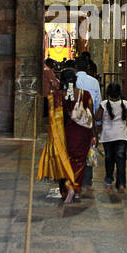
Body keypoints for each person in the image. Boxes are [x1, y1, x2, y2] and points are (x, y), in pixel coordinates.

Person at [38, 67, 93, 204]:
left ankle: (67, 188)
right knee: (79, 161)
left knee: (64, 160)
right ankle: (75, 187)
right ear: (75, 81)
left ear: (62, 80)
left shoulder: (59, 96)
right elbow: (90, 115)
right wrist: (94, 135)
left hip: (64, 134)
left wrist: (52, 89)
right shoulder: (85, 95)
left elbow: (51, 113)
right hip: (82, 135)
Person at [73, 55, 103, 195]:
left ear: (76, 67)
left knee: (74, 149)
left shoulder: (72, 80)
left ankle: (74, 177)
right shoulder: (94, 82)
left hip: (74, 121)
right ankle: (87, 179)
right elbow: (97, 103)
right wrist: (97, 123)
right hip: (89, 120)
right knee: (89, 149)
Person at [99, 81, 127, 192]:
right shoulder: (125, 103)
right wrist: (126, 125)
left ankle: (109, 180)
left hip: (108, 136)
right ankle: (121, 184)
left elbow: (96, 117)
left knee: (109, 159)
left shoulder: (104, 104)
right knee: (121, 160)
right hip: (121, 135)